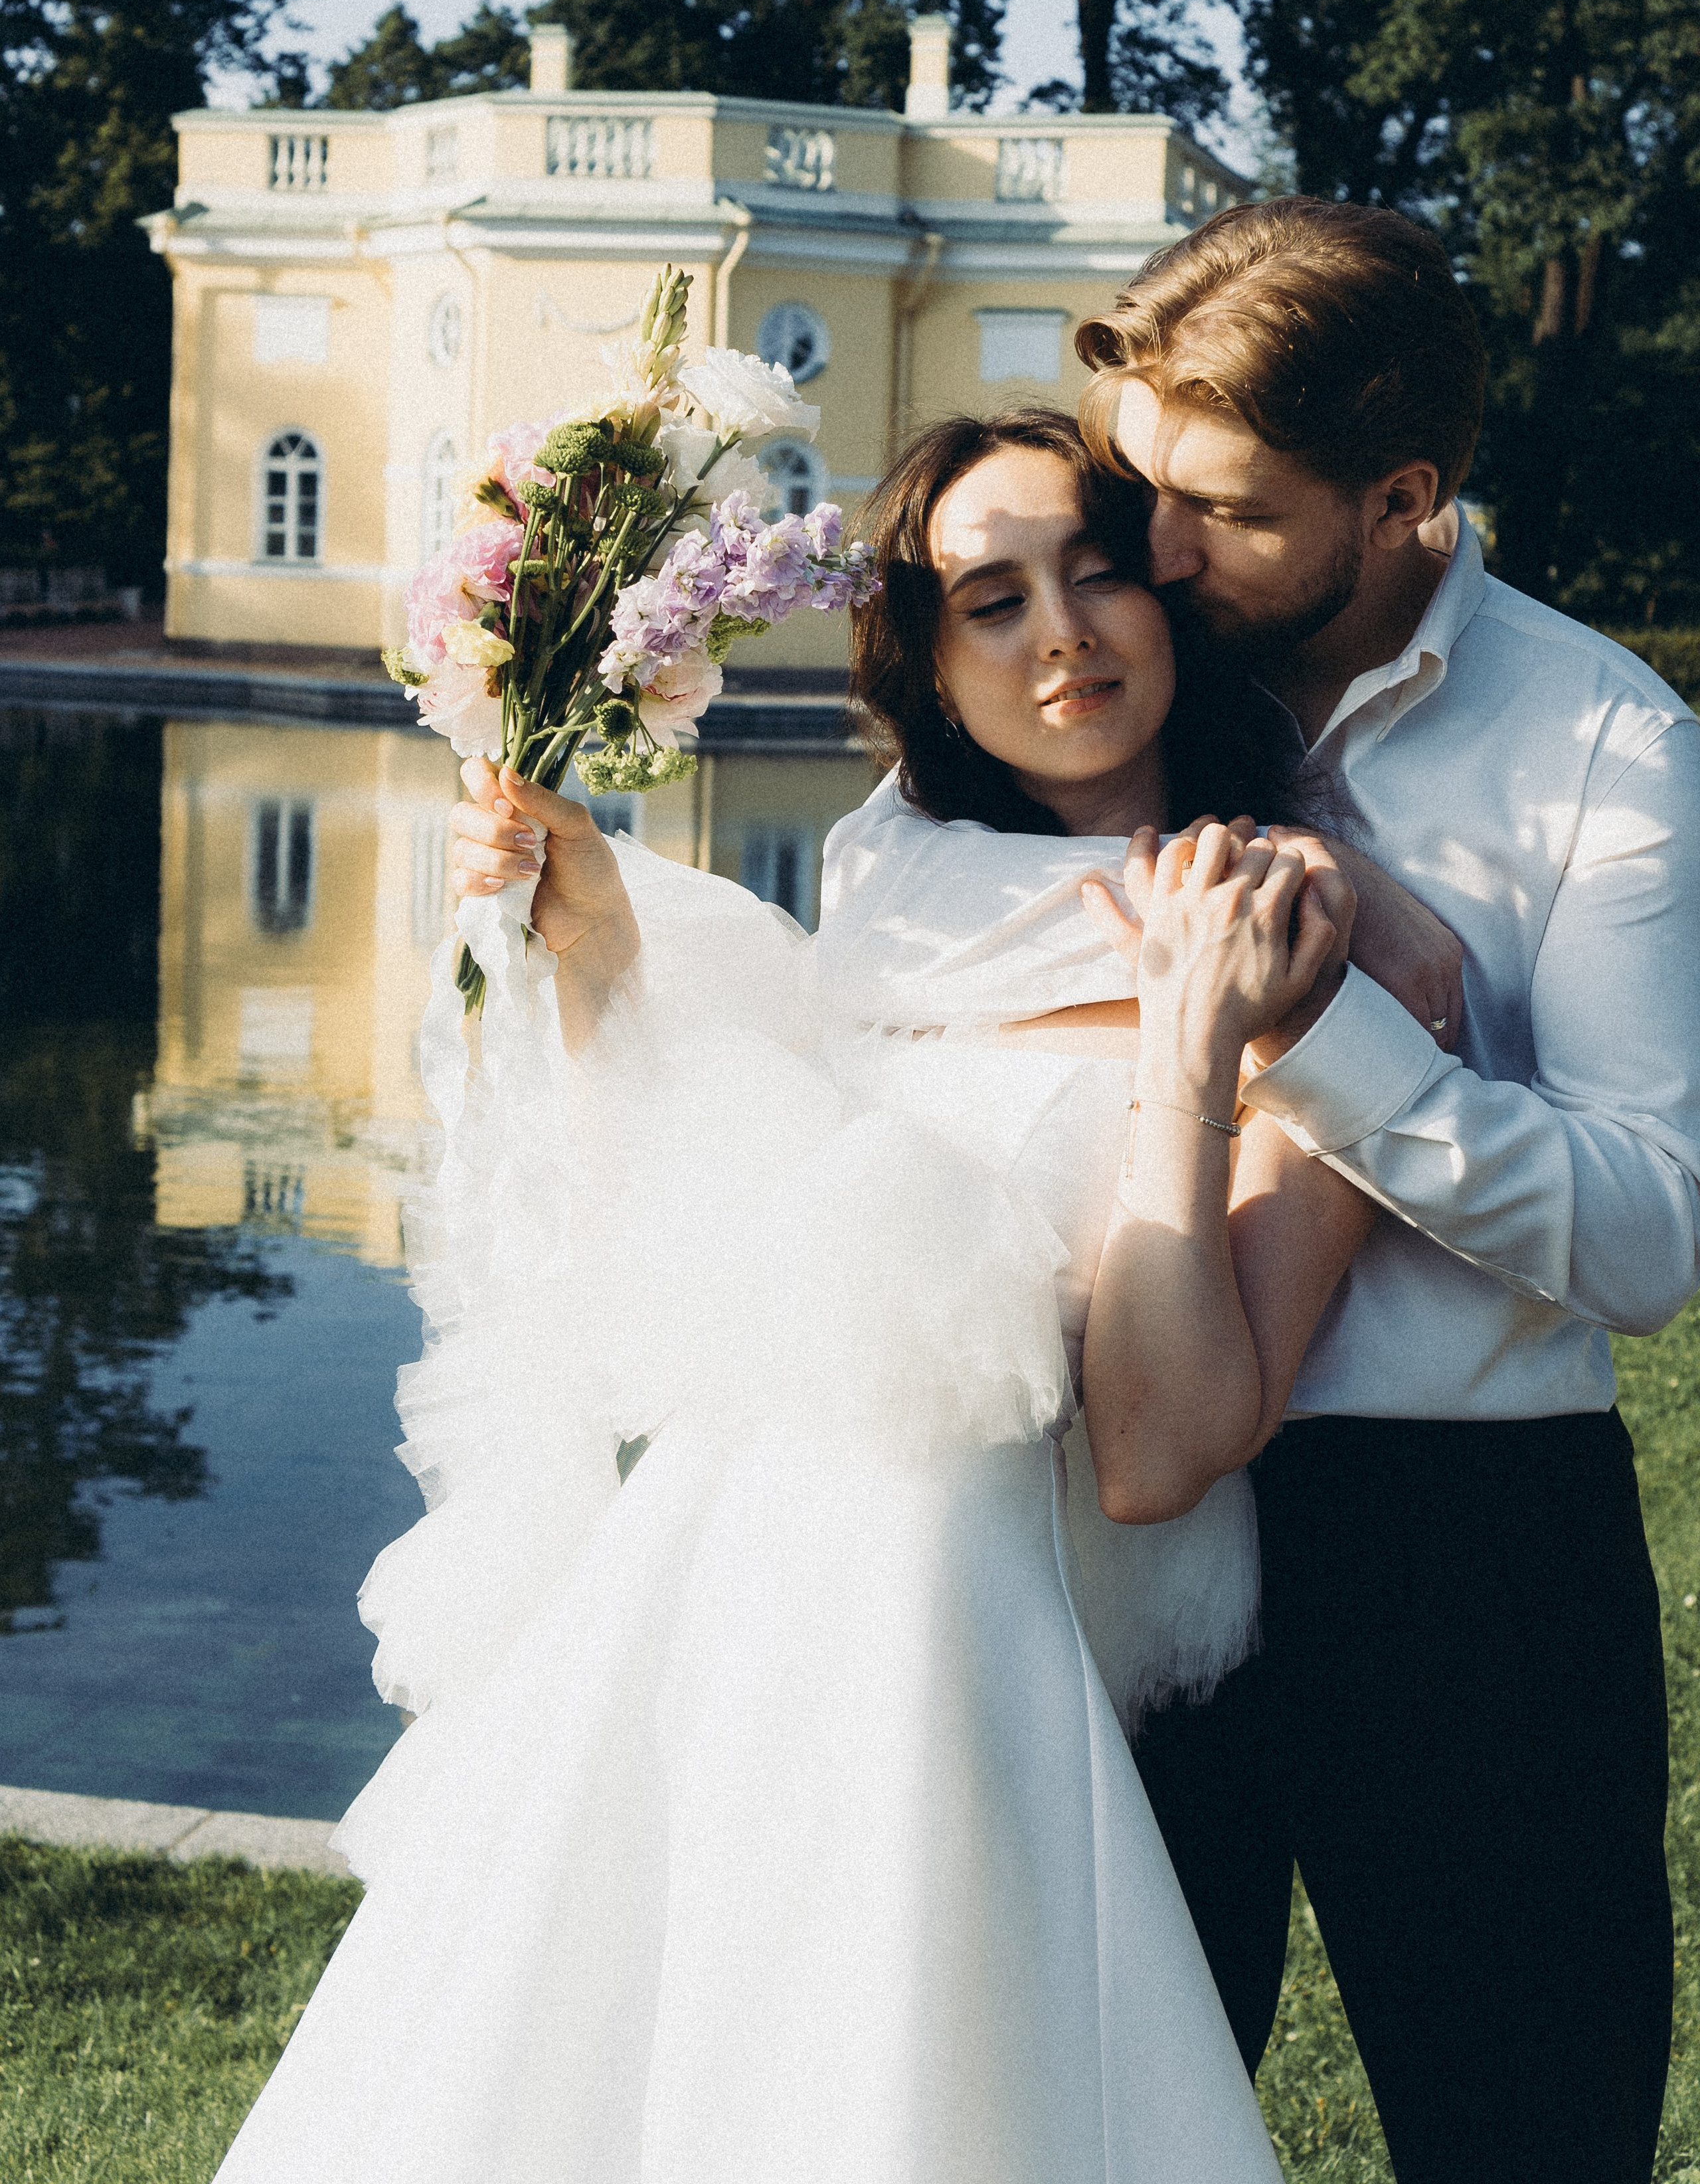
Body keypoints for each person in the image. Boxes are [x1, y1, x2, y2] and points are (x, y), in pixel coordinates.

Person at [211, 406, 1432, 2184]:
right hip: (735, 1582)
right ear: (930, 664)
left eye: (1100, 575)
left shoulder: (1296, 917)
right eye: (991, 601)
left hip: (990, 1607)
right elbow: (696, 1267)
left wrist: (1193, 1043)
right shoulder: (886, 888)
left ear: (1174, 600)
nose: (1065, 637)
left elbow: (1166, 1449)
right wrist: (595, 949)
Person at [833, 200, 1700, 2184]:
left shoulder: (1607, 752)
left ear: (1401, 500)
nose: (1148, 558)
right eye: (1141, 488)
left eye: (1213, 512)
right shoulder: (1071, 709)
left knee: (1521, 2136)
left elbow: (1655, 1234)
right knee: (1087, 2125)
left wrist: (1333, 1043)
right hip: (1089, 1550)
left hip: (1461, 1559)